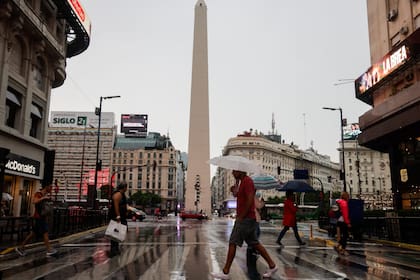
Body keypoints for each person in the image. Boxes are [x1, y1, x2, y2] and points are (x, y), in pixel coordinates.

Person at [211, 170, 277, 279]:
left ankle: (225, 272)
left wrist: (242, 216)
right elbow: (239, 196)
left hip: (245, 218)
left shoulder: (247, 181)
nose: (232, 173)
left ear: (240, 171)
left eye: (234, 171)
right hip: (247, 218)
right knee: (254, 243)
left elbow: (250, 199)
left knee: (233, 242)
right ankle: (272, 265)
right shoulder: (242, 182)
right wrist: (235, 188)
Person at [15, 184, 57, 257]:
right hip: (39, 218)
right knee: (45, 233)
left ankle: (20, 248)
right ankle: (49, 250)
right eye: (50, 187)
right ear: (46, 186)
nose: (51, 188)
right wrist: (43, 198)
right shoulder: (38, 194)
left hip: (41, 218)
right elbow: (34, 201)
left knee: (32, 234)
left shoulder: (45, 196)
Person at [109, 181, 128, 256]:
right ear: (123, 187)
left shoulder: (122, 194)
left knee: (118, 233)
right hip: (116, 217)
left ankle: (115, 249)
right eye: (126, 187)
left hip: (121, 216)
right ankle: (114, 250)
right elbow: (116, 206)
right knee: (115, 233)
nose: (127, 188)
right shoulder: (118, 194)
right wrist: (118, 216)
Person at [334, 191, 351, 256]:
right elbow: (345, 214)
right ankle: (343, 250)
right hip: (343, 222)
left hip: (339, 221)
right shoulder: (344, 203)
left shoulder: (339, 202)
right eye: (348, 196)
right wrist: (348, 223)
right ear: (346, 196)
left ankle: (338, 245)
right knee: (345, 236)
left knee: (343, 236)